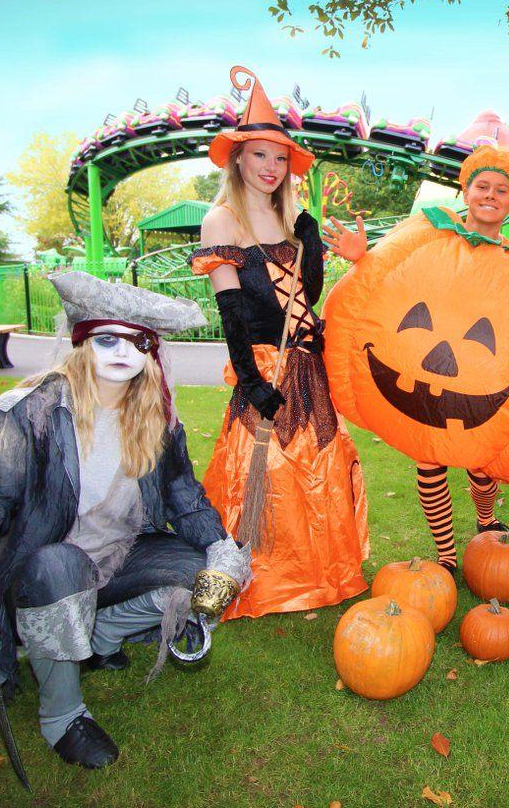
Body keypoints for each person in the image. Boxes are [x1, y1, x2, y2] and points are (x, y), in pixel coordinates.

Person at [0, 270, 239, 769]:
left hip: (117, 559)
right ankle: (62, 715)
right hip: (43, 571)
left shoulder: (157, 419)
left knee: (203, 571)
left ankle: (98, 635)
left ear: (152, 354)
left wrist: (224, 551)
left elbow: (185, 500)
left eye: (138, 342)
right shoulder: (28, 410)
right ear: (81, 341)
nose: (123, 351)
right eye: (107, 339)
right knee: (61, 565)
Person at [322, 144, 509, 573]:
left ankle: (485, 519)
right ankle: (447, 554)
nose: (490, 195)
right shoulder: (428, 235)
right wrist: (362, 257)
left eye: (501, 190)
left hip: (483, 378)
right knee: (430, 457)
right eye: (482, 186)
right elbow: (388, 280)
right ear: (465, 191)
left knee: (482, 465)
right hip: (416, 367)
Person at [189, 65, 369, 616]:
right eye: (259, 155)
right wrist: (250, 381)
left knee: (321, 466)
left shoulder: (290, 217)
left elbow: (306, 297)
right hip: (265, 366)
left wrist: (314, 245)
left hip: (309, 364)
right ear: (238, 159)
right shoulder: (222, 221)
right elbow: (232, 314)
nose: (270, 167)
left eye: (280, 158)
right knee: (265, 473)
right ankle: (260, 578)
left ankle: (323, 576)